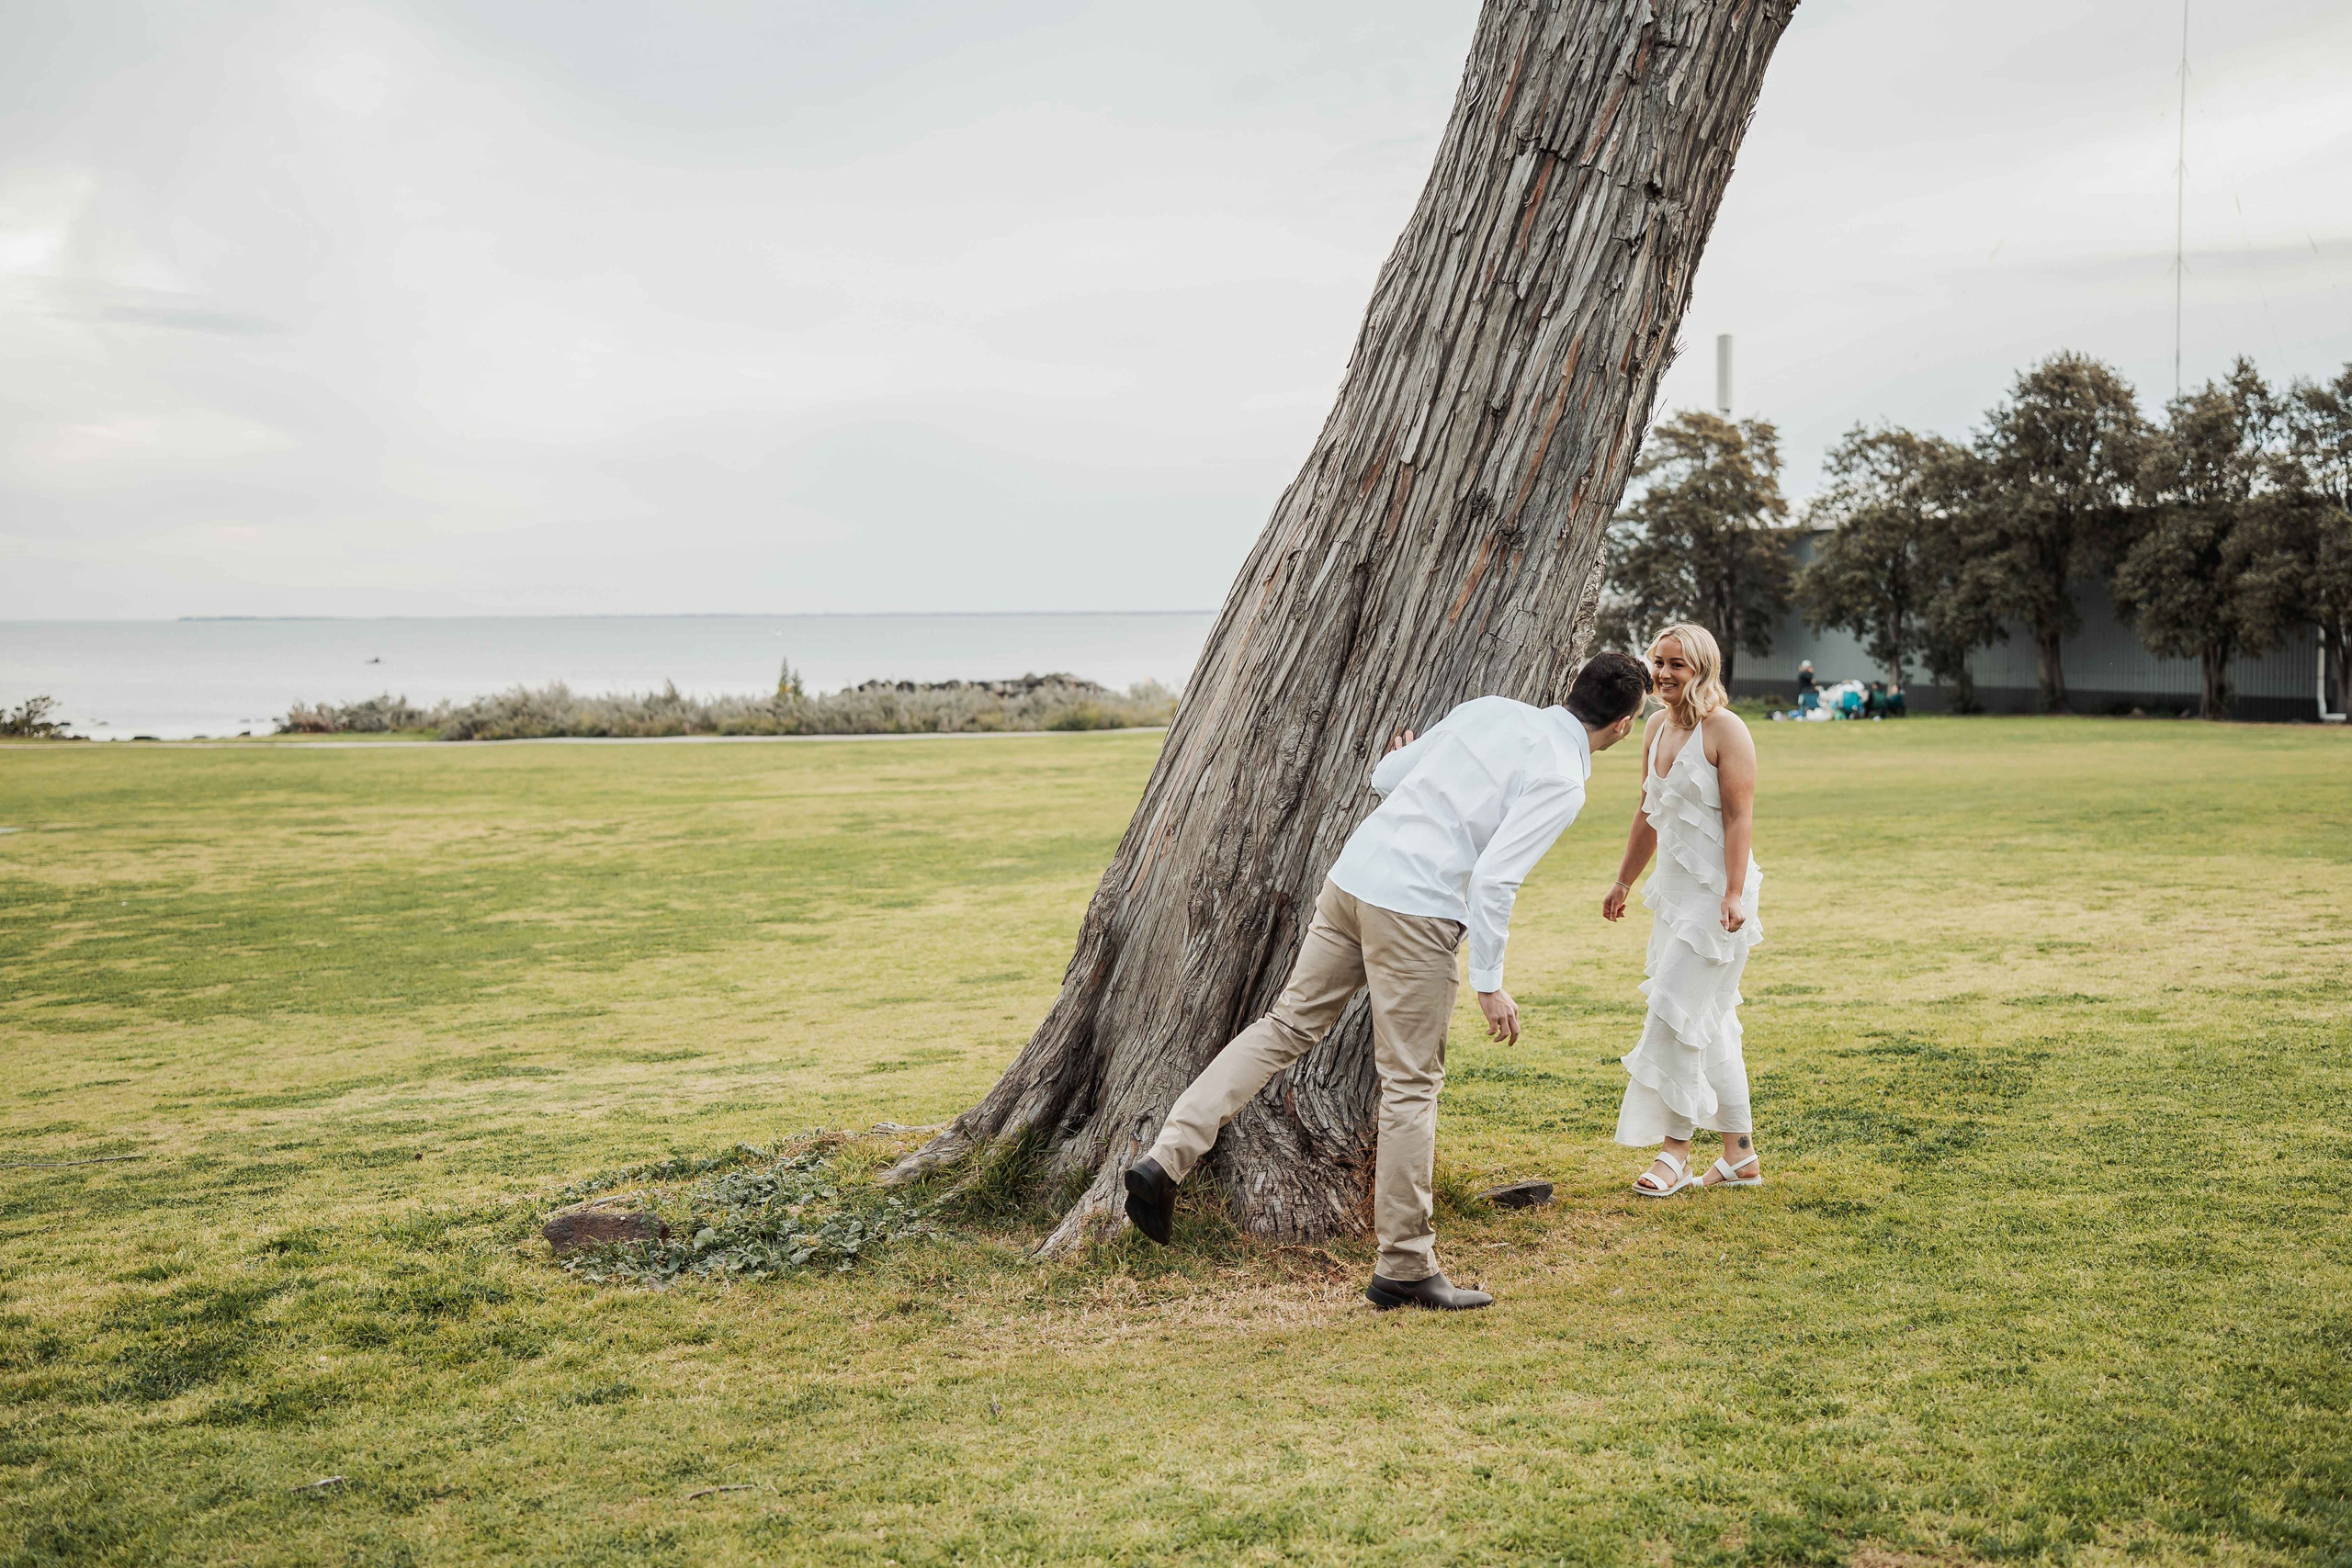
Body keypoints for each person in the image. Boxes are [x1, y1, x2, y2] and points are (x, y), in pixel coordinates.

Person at [1122, 652, 1655, 1311]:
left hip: (1354, 879)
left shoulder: (1489, 709)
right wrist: (1488, 980)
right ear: (1626, 724)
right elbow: (1494, 878)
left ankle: (1166, 1157)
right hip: (1417, 909)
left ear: (1569, 688)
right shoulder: (1564, 776)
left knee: (1285, 1025)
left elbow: (1385, 776)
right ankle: (1404, 1263)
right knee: (1409, 1085)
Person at [1601, 623, 1764, 1197]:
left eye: (1677, 665)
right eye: (1659, 661)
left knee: (1672, 1012)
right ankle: (1740, 1155)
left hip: (1718, 898)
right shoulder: (1653, 728)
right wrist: (1624, 881)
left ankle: (1675, 1152)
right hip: (1672, 895)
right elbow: (1647, 812)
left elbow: (1739, 818)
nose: (1664, 674)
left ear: (1701, 668)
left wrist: (1734, 892)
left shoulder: (1726, 730)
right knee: (1710, 1022)